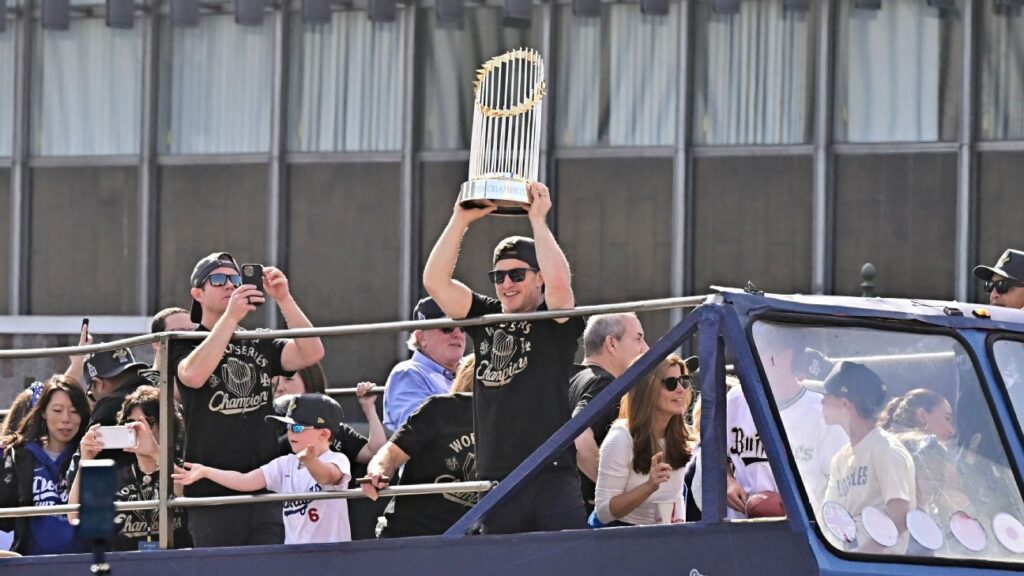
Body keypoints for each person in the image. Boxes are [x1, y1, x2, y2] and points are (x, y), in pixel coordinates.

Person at [423, 182, 587, 534]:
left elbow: (560, 286)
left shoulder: (552, 319)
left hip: (551, 472)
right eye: (498, 276)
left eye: (517, 274)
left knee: (571, 565)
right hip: (497, 478)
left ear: (537, 277)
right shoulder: (486, 315)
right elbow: (435, 283)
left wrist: (538, 221)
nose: (506, 284)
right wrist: (459, 220)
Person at [171, 251, 325, 547]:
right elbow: (192, 376)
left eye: (235, 279)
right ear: (197, 293)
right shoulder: (183, 342)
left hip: (263, 484)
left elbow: (312, 353)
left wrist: (284, 299)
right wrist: (230, 318)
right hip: (211, 489)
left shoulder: (258, 340)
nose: (229, 285)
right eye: (218, 280)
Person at [174, 394, 351, 545]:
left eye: (297, 427)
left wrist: (311, 461)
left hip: (332, 555)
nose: (290, 434)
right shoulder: (286, 463)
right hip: (295, 557)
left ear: (324, 434)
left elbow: (327, 476)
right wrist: (206, 471)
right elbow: (246, 481)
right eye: (288, 427)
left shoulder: (337, 459)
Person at [361, 357, 476, 538]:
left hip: (476, 538)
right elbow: (391, 453)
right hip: (414, 533)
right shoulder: (441, 409)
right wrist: (377, 473)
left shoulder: (512, 421)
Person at [69, 385, 191, 551]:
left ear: (167, 426)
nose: (139, 430)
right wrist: (85, 460)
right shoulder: (117, 475)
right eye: (130, 423)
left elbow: (184, 491)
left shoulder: (184, 469)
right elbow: (75, 516)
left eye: (148, 422)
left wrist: (156, 453)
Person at [812, 362, 915, 552]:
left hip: (877, 568)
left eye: (827, 395)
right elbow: (828, 518)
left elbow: (901, 517)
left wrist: (858, 558)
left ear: (845, 404)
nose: (821, 401)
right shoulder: (840, 459)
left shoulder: (886, 449)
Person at [592, 355, 693, 527]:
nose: (681, 390)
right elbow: (603, 513)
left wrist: (679, 531)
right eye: (670, 383)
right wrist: (649, 486)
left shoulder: (679, 436)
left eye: (683, 381)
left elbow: (675, 496)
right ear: (647, 390)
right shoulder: (621, 438)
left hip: (660, 539)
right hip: (618, 538)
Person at [568, 313, 649, 514]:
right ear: (611, 344)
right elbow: (578, 440)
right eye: (638, 338)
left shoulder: (571, 378)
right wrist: (614, 493)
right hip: (587, 516)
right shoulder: (604, 384)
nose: (645, 348)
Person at [0, 377, 91, 555]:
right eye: (57, 410)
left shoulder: (91, 453)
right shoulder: (18, 455)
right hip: (31, 562)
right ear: (43, 412)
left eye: (74, 411)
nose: (66, 419)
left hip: (82, 562)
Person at [272, 366, 386, 470]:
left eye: (288, 379)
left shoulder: (334, 428)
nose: (279, 388)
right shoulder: (269, 426)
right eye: (275, 382)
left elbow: (375, 454)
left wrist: (369, 407)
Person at [879, 388, 968, 520]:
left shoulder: (877, 445)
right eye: (947, 418)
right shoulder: (928, 448)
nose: (951, 430)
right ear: (922, 415)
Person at [383, 297, 465, 432]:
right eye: (447, 328)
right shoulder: (408, 373)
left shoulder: (473, 369)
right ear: (422, 338)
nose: (458, 334)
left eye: (463, 328)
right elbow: (418, 431)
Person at [83, 347, 160, 428]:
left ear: (98, 384)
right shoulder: (158, 387)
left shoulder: (109, 407)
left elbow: (91, 440)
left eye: (91, 396)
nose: (93, 403)